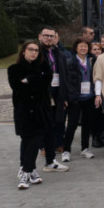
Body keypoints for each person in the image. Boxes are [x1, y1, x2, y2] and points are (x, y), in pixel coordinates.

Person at [9, 40, 63, 189]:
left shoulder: (43, 67)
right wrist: (34, 82)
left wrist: (30, 80)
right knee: (27, 141)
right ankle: (32, 171)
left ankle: (25, 172)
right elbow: (18, 88)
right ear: (24, 51)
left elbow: (46, 82)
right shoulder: (14, 69)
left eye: (36, 50)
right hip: (24, 111)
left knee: (35, 141)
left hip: (41, 111)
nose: (33, 52)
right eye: (31, 49)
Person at [63, 38, 97, 161]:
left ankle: (85, 149)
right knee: (72, 125)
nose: (83, 49)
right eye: (81, 46)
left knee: (87, 124)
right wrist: (66, 97)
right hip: (75, 97)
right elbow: (66, 81)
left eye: (85, 46)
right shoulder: (70, 61)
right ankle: (66, 150)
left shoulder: (92, 60)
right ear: (76, 48)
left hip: (89, 97)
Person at [38, 26, 69, 155]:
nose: (49, 38)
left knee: (59, 119)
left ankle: (58, 143)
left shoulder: (59, 53)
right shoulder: (37, 53)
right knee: (45, 119)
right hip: (44, 91)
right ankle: (44, 146)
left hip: (58, 90)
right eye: (46, 35)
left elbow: (65, 74)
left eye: (51, 36)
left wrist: (66, 96)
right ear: (40, 36)